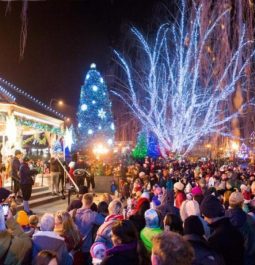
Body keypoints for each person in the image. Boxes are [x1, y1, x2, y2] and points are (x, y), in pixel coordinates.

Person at [200, 194, 244, 265]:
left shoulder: (215, 239)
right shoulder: (233, 229)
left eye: (204, 215)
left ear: (210, 214)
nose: (204, 219)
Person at [70, 193, 104, 262]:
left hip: (73, 247)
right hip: (86, 248)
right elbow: (104, 221)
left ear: (82, 200)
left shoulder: (72, 213)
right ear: (91, 203)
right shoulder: (93, 215)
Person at [225, 191, 255, 265]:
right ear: (242, 203)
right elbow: (250, 246)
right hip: (245, 259)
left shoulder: (221, 217)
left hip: (227, 259)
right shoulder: (249, 219)